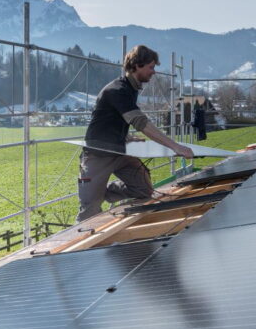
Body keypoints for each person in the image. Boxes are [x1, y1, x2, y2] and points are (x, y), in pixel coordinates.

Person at [76, 45, 194, 222]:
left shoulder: (132, 88)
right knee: (90, 209)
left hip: (119, 150)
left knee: (143, 190)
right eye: (151, 67)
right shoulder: (117, 90)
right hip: (98, 154)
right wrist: (175, 146)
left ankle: (98, 190)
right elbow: (141, 122)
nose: (153, 72)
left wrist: (126, 137)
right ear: (138, 65)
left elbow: (112, 119)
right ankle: (94, 194)